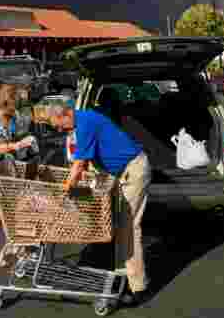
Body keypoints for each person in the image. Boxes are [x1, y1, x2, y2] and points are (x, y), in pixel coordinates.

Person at [47, 104, 149, 300]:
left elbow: (78, 166)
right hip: (119, 174)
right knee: (118, 225)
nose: (60, 130)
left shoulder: (85, 123)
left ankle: (137, 287)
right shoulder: (83, 121)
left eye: (59, 125)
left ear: (67, 114)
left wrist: (63, 194)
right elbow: (87, 164)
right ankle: (122, 275)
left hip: (133, 171)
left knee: (128, 228)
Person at [0, 83, 32, 261]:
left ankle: (16, 242)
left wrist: (23, 143)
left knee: (13, 206)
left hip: (10, 167)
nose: (15, 107)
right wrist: (13, 146)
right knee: (0, 208)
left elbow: (16, 136)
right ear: (6, 102)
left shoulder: (12, 117)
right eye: (14, 103)